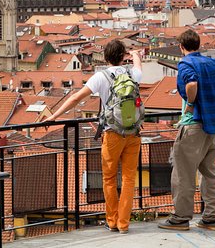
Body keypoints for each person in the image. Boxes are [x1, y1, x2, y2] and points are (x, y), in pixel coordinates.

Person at [46, 39, 143, 234]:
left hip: (112, 132)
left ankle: (112, 221)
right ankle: (124, 223)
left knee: (108, 178)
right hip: (133, 132)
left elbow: (75, 98)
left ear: (106, 57)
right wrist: (134, 56)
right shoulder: (133, 74)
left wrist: (55, 116)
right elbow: (138, 64)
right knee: (129, 179)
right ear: (123, 57)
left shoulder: (101, 77)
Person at [159, 29, 215, 232]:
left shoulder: (186, 64)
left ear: (181, 47)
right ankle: (212, 217)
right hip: (212, 126)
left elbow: (192, 84)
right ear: (199, 45)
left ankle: (180, 218)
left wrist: (190, 102)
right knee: (209, 172)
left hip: (193, 123)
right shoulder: (214, 63)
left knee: (183, 174)